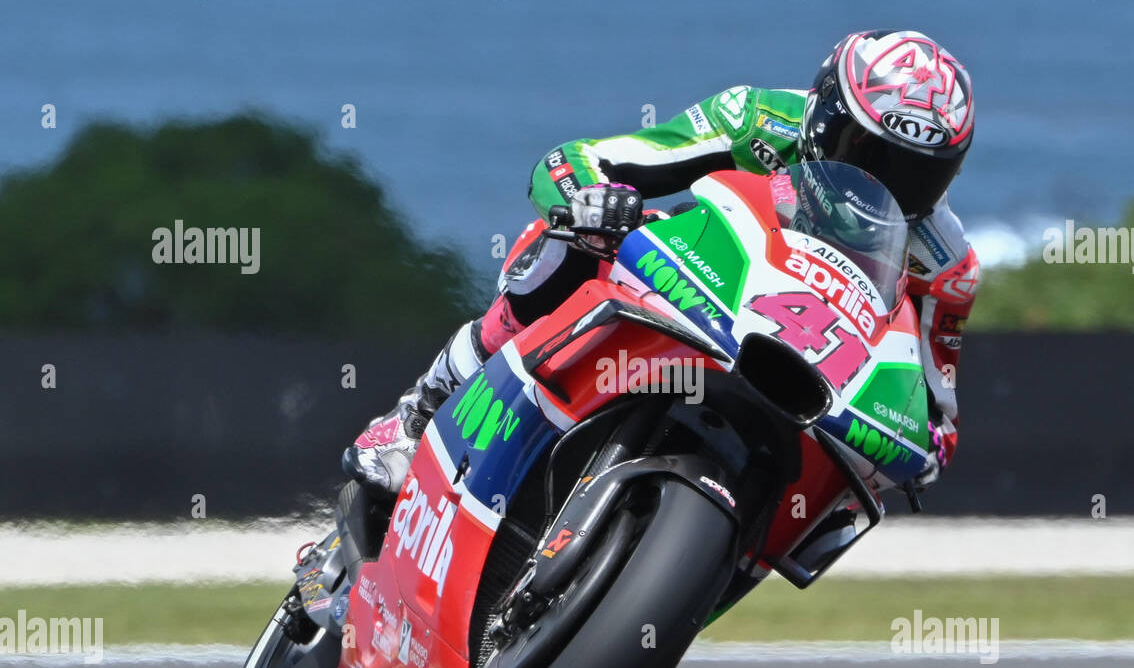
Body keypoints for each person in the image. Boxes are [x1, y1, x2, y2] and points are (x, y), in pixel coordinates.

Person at [343, 29, 979, 499]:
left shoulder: (946, 267)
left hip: (798, 386)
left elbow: (937, 416)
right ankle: (419, 416)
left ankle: (671, 598)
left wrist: (917, 450)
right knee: (563, 239)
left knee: (841, 493)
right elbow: (580, 160)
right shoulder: (757, 120)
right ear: (823, 115)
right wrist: (591, 200)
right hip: (699, 293)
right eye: (866, 152)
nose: (881, 184)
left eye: (917, 174)